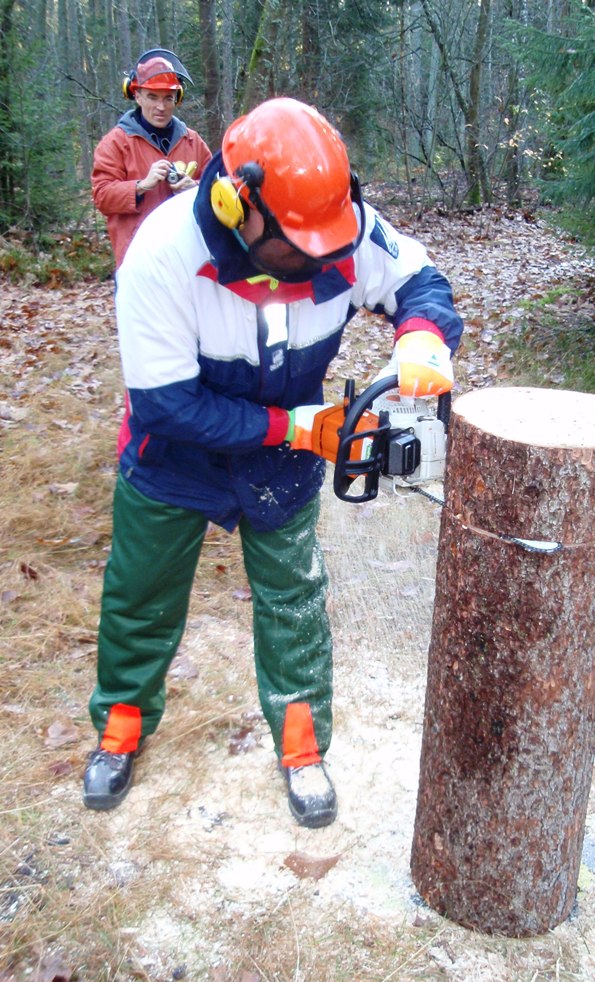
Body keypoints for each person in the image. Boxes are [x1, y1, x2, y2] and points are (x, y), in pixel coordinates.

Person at [82, 97, 463, 826]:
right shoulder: (162, 252)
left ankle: (301, 745)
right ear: (238, 206)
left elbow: (418, 279)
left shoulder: (341, 230)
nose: (318, 262)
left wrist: (422, 335)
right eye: (297, 248)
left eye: (327, 246)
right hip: (174, 456)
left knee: (293, 599)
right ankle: (121, 726)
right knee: (141, 593)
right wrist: (294, 426)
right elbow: (167, 407)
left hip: (282, 455)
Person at [92, 48, 212, 268]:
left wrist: (195, 188)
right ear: (137, 96)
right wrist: (140, 186)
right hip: (138, 260)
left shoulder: (192, 141)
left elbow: (217, 187)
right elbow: (102, 196)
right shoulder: (116, 143)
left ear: (177, 98)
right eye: (152, 97)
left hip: (186, 258)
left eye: (168, 98)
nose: (161, 107)